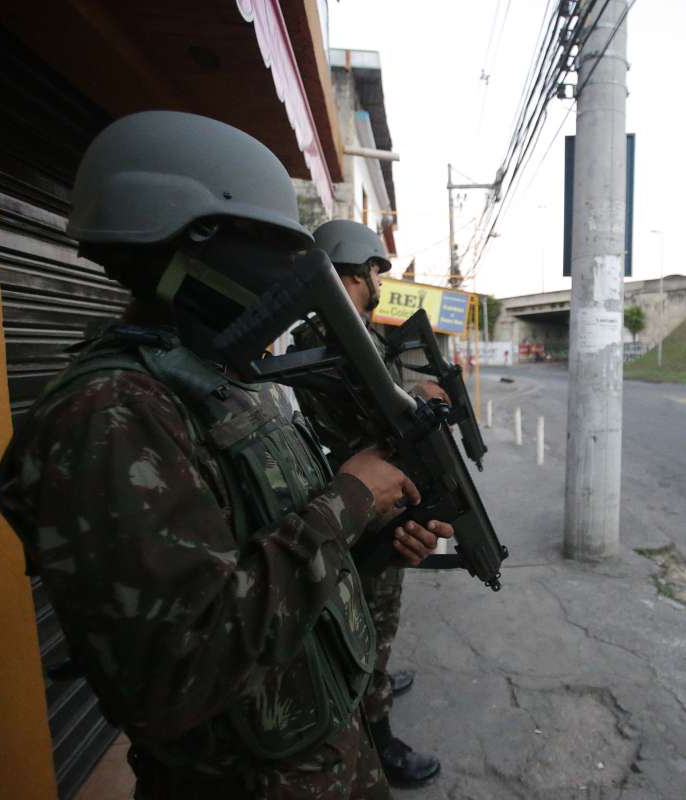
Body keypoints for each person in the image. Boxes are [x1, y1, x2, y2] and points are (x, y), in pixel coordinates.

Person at [0, 111, 454, 799]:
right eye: (269, 248)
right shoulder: (110, 416)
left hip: (320, 750)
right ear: (191, 241)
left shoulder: (226, 379)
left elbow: (267, 559)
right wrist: (349, 501)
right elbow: (177, 669)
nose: (289, 275)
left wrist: (374, 533)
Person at [288, 219, 446, 788]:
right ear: (355, 269)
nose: (380, 279)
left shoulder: (351, 334)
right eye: (376, 269)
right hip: (354, 505)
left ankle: (374, 679)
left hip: (366, 499)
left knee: (379, 617)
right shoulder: (325, 343)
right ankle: (378, 738)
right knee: (368, 622)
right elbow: (366, 417)